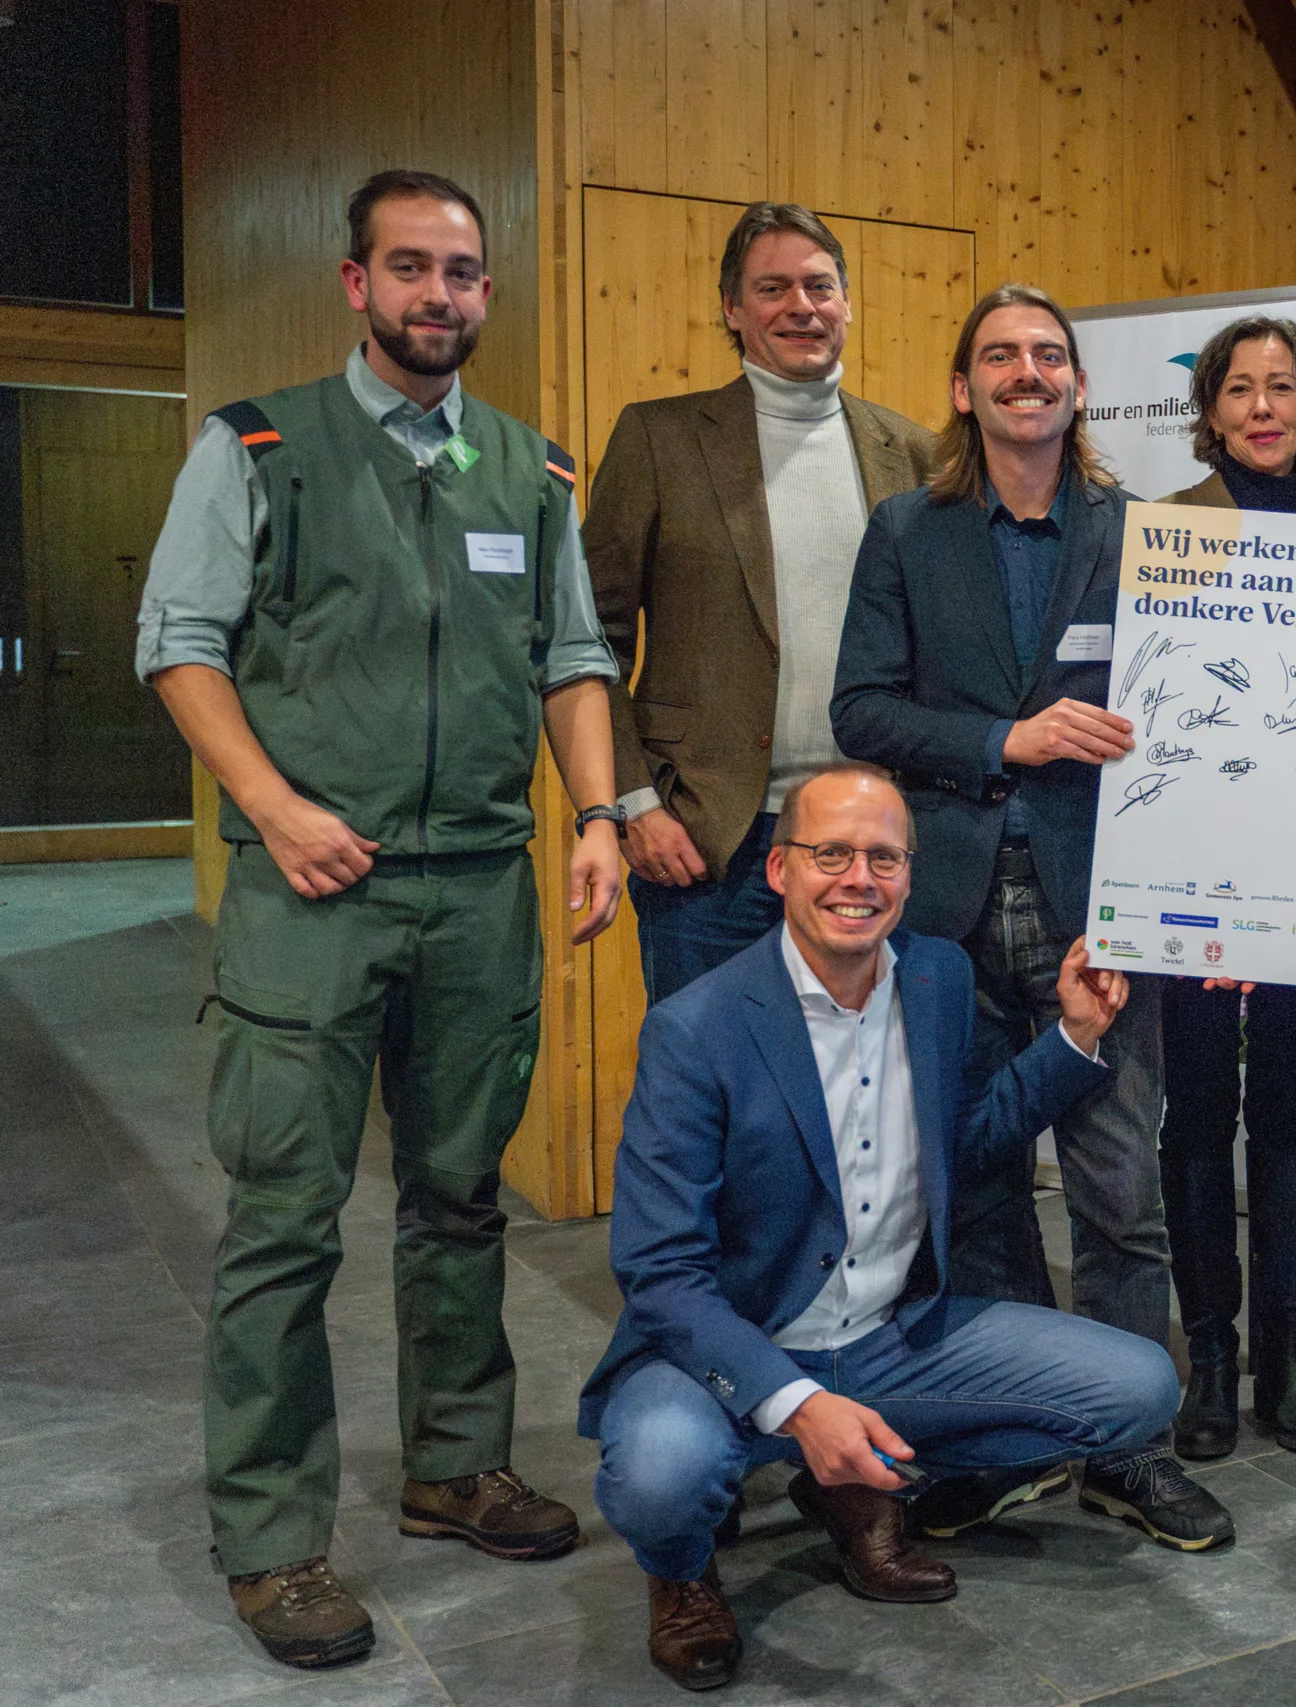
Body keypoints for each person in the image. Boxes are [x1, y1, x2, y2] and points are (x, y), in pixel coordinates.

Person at [134, 170, 625, 1669]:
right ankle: (274, 1536)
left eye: (464, 272)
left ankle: (455, 1461)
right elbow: (180, 644)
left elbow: (574, 654)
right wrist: (275, 806)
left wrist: (600, 813)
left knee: (461, 1193)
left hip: (480, 887)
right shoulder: (258, 447)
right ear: (356, 283)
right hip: (310, 893)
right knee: (284, 1219)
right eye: (411, 268)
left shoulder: (532, 476)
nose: (441, 295)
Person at [582, 764, 1180, 1691]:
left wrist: (1074, 1037)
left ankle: (850, 1480)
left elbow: (970, 1138)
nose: (857, 877)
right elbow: (659, 1272)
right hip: (734, 1347)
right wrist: (796, 1402)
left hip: (889, 1339)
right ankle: (681, 1572)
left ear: (909, 872)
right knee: (662, 1472)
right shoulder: (694, 1028)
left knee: (1139, 1388)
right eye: (830, 853)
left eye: (883, 857)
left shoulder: (938, 975)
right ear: (779, 870)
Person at [832, 284, 1232, 1550]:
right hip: (941, 914)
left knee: (1121, 1193)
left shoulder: (1145, 533)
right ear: (964, 389)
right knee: (980, 1190)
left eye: (1048, 356)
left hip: (1098, 915)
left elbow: (1209, 723)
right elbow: (863, 712)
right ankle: (1008, 1443)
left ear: (1076, 386)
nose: (1025, 374)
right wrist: (1005, 737)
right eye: (999, 356)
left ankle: (1127, 1447)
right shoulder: (906, 529)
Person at [587, 202, 935, 1000]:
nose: (800, 307)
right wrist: (633, 802)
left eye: (819, 286)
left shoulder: (913, 452)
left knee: (858, 1091)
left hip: (870, 843)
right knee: (710, 1099)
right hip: (709, 845)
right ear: (732, 309)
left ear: (847, 304)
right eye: (772, 288)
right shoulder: (657, 440)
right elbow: (587, 636)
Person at [1154, 315, 1296, 1459]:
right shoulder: (1160, 534)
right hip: (1189, 869)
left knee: (1284, 1111)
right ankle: (1212, 1358)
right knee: (1194, 1115)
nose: (1262, 408)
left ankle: (1289, 1355)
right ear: (1211, 411)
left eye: (1283, 389)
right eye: (1240, 389)